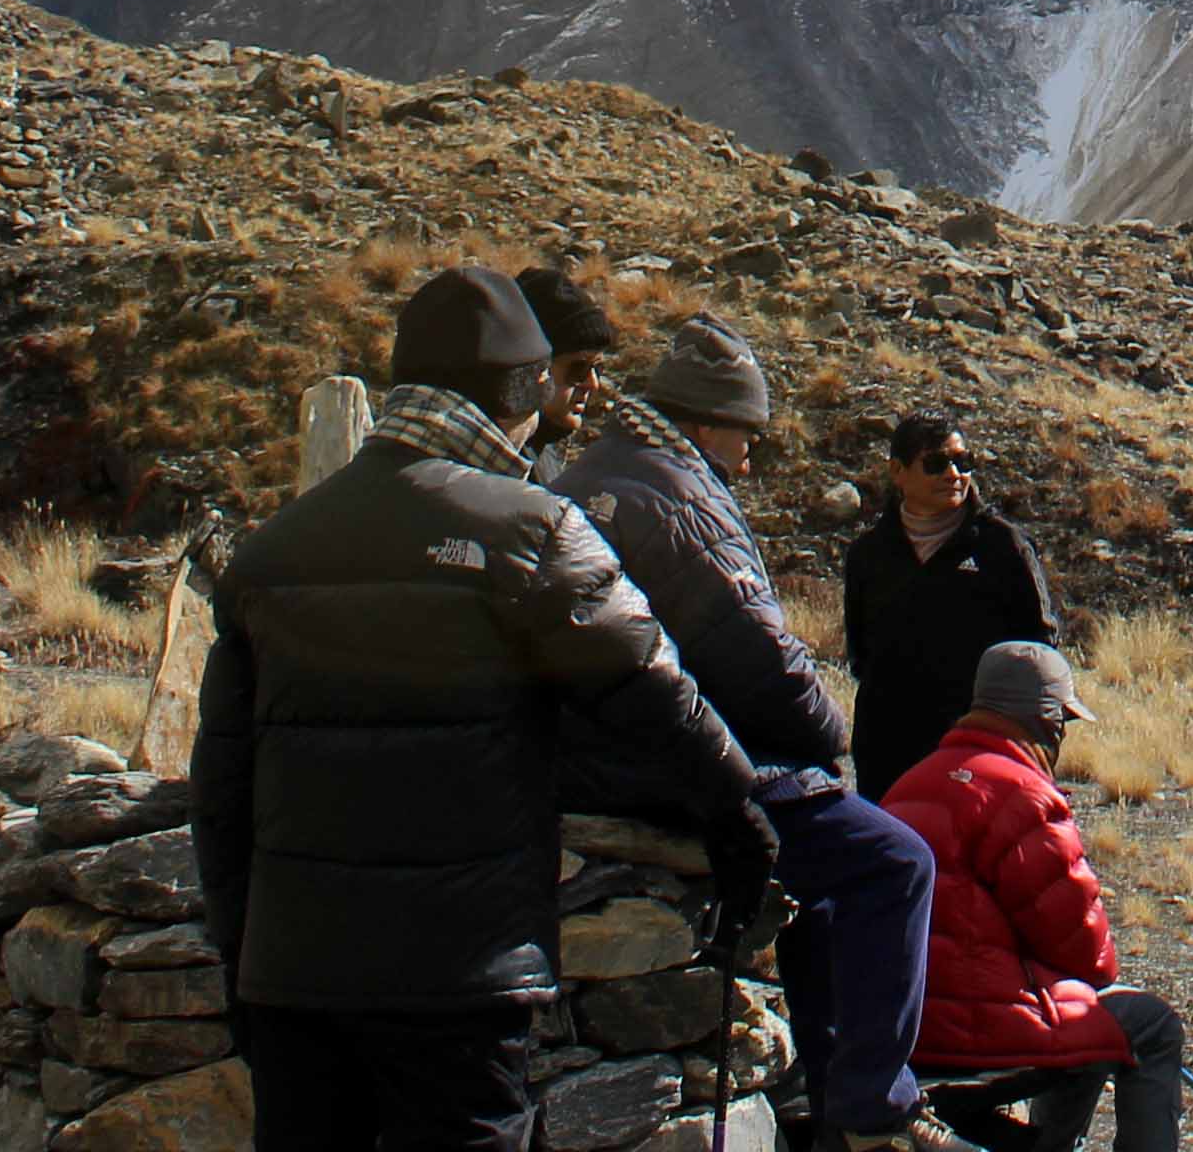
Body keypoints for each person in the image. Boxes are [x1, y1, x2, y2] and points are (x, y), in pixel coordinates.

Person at [195, 263, 769, 1152]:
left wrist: (244, 963)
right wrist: (742, 815)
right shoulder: (533, 531)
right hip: (460, 975)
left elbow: (221, 788)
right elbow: (657, 693)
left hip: (295, 978)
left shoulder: (271, 551)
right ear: (524, 388)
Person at [556, 312, 942, 1152]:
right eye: (746, 433)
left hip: (596, 755)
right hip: (674, 768)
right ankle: (874, 1108)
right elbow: (754, 654)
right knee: (894, 862)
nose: (751, 454)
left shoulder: (591, 473)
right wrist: (827, 727)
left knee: (821, 879)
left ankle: (818, 1096)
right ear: (705, 421)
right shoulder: (681, 495)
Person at [882, 640, 1187, 1152]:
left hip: (905, 1034)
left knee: (1079, 1016)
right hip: (985, 1035)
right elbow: (1087, 956)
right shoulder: (1026, 796)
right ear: (1049, 722)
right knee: (1151, 1026)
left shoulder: (907, 786)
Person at [843, 412, 1062, 805]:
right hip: (888, 746)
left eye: (964, 462)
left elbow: (1040, 645)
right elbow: (860, 652)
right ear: (898, 471)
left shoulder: (1002, 547)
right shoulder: (868, 555)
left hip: (978, 744)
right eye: (936, 464)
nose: (954, 474)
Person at [518, 261, 622, 455]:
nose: (593, 384)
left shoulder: (542, 455)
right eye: (578, 368)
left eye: (598, 369)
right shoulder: (493, 461)